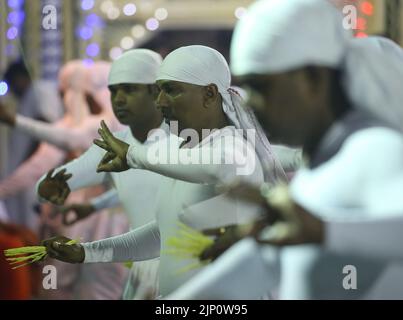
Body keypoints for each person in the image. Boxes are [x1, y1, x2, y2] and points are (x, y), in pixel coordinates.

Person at [168, 0, 403, 299]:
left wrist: (325, 232)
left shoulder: (373, 148)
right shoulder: (319, 165)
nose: (247, 102)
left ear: (313, 79)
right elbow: (267, 266)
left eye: (260, 87)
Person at [39, 45, 294, 298]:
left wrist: (132, 155)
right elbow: (163, 235)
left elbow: (214, 166)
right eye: (159, 91)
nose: (160, 102)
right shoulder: (180, 149)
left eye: (171, 91)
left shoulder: (235, 148)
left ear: (209, 94)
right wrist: (86, 252)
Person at [36, 49, 167, 299]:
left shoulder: (185, 146)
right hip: (130, 255)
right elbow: (67, 175)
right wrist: (49, 189)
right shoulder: (113, 141)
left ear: (155, 92)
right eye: (113, 91)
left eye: (128, 90)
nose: (118, 99)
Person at [0, 61, 63, 228]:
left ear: (19, 78)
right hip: (26, 175)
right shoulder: (27, 97)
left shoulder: (40, 90)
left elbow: (45, 124)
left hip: (36, 174)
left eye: (12, 84)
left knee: (35, 226)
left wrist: (28, 164)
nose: (12, 91)